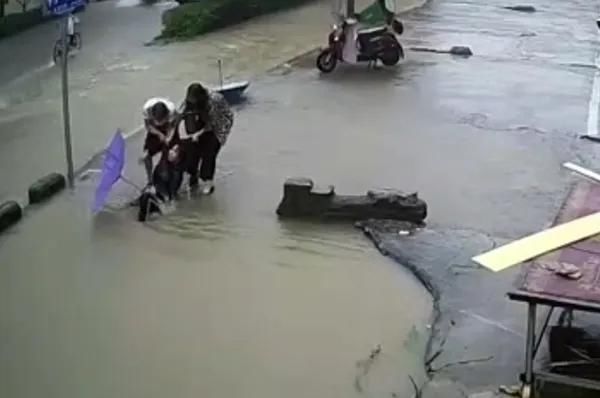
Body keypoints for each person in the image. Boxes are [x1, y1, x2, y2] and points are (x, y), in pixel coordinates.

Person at [178, 83, 233, 195]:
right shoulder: (190, 101)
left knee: (209, 154)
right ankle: (193, 176)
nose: (191, 101)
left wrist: (198, 134)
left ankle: (208, 182)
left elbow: (212, 123)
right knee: (191, 151)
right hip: (201, 122)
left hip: (219, 124)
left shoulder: (214, 100)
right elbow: (181, 114)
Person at [141, 98, 177, 186]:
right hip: (154, 130)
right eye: (157, 120)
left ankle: (166, 168)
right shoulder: (146, 109)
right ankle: (149, 179)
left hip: (168, 128)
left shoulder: (172, 111)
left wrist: (168, 137)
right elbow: (148, 126)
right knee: (146, 155)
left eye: (161, 120)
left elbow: (173, 127)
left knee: (169, 153)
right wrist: (159, 134)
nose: (159, 122)